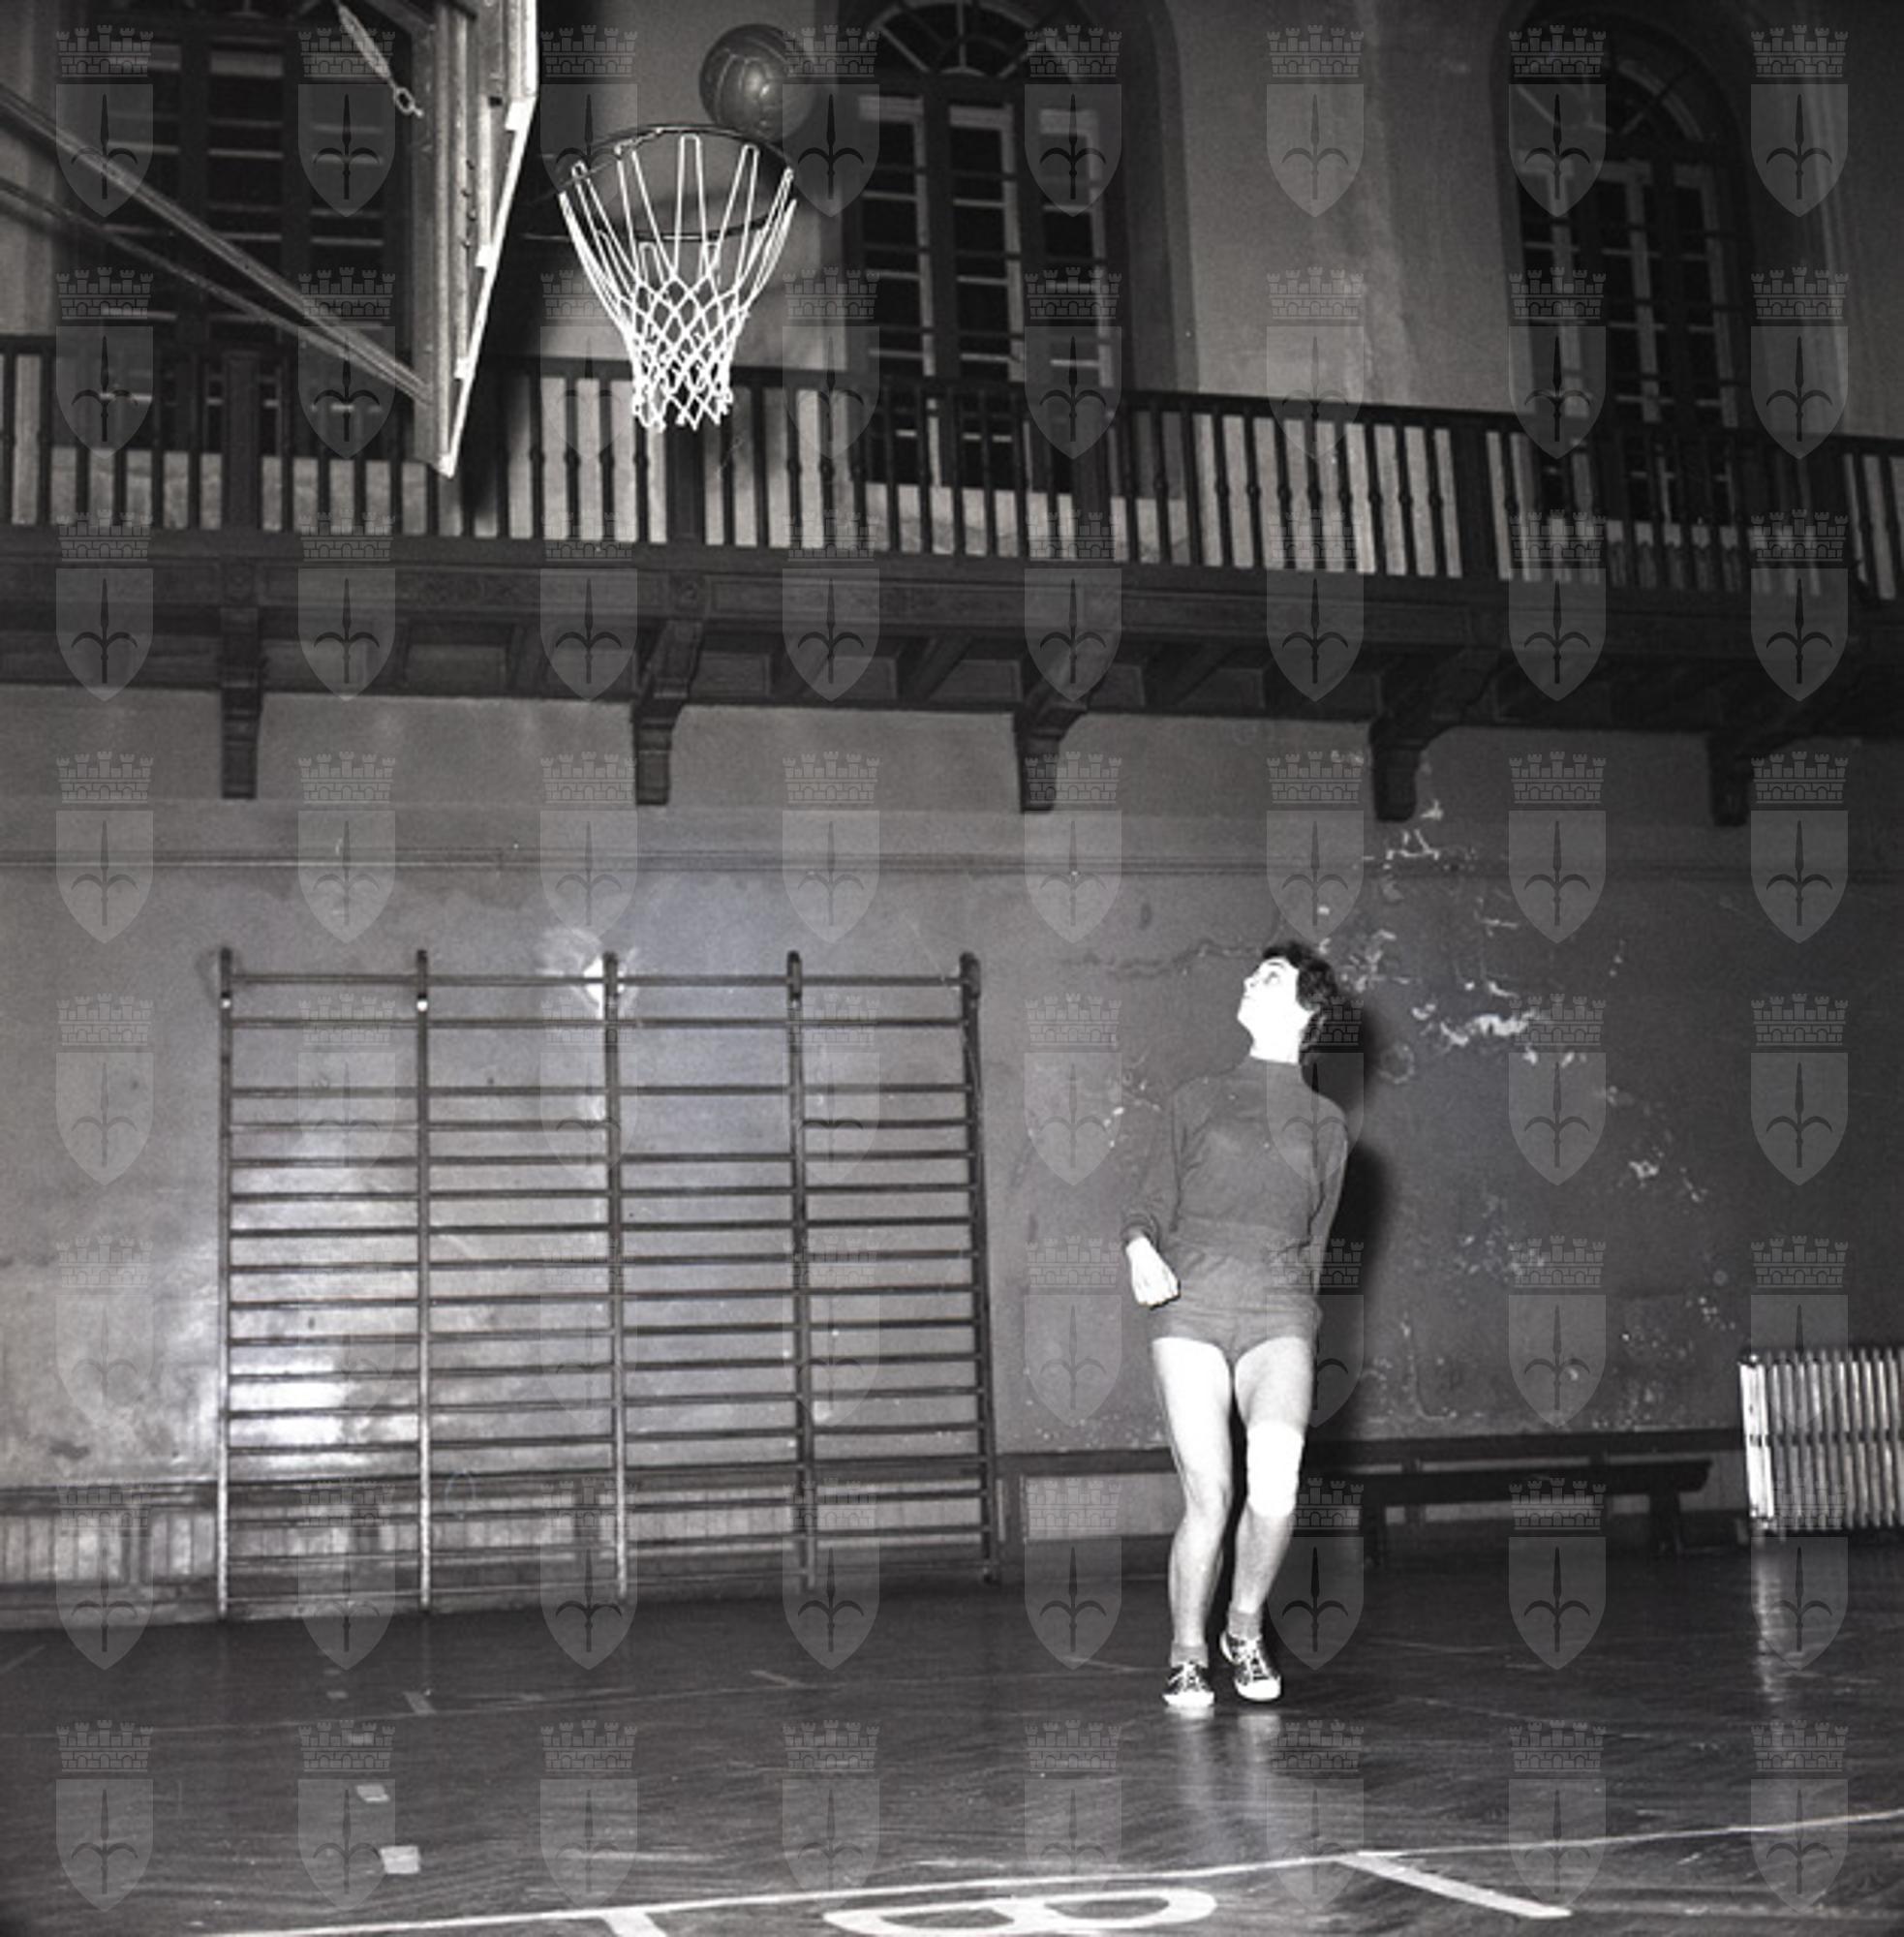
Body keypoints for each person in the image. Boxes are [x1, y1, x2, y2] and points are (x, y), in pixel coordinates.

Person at [1122, 941, 1350, 1710]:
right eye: (1253, 971)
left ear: (1309, 1009)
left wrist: (1301, 1329)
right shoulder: (1197, 1098)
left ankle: (1243, 1628)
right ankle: (1188, 1650)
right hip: (1191, 1305)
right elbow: (1150, 1202)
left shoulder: (1326, 1124)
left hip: (1278, 1310)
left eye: (1271, 975)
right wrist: (1138, 1247)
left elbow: (1316, 1243)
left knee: (1278, 1483)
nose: (1251, 978)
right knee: (1211, 1496)